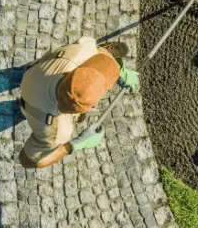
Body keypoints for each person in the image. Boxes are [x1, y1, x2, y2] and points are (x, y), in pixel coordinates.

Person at [17, 36, 139, 168]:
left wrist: (115, 70)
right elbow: (26, 161)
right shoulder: (60, 132)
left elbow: (96, 51)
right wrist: (73, 145)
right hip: (32, 108)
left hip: (34, 75)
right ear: (93, 106)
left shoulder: (79, 52)